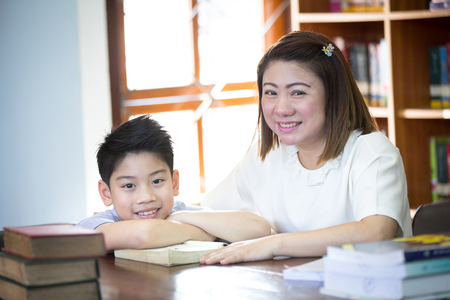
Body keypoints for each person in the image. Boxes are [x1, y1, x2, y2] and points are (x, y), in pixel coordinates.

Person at [195, 31, 412, 265]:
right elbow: (206, 211)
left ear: (333, 94)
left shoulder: (372, 152)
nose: (281, 108)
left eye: (297, 92)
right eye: (271, 93)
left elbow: (376, 232)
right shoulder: (266, 155)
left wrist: (274, 244)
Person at [77, 115, 271, 251]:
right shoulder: (94, 225)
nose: (146, 197)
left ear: (174, 182)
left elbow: (259, 229)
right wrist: (207, 233)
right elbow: (144, 234)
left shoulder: (179, 213)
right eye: (129, 186)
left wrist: (183, 216)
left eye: (157, 181)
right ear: (106, 193)